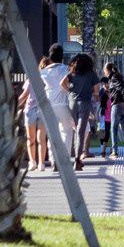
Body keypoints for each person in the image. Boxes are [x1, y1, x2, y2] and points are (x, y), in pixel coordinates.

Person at [61, 53, 99, 171]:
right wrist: (89, 92)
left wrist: (71, 90)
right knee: (81, 131)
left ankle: (77, 158)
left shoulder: (72, 73)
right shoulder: (92, 74)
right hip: (85, 103)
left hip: (72, 102)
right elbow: (96, 92)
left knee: (76, 128)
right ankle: (78, 159)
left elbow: (62, 83)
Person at [39, 43, 73, 173]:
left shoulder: (43, 72)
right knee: (67, 131)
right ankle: (65, 160)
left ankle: (53, 161)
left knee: (52, 134)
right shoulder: (67, 70)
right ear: (62, 56)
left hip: (49, 106)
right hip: (64, 105)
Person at [18, 56, 49, 171]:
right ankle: (41, 163)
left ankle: (32, 161)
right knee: (41, 138)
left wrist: (15, 104)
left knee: (30, 138)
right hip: (42, 109)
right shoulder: (47, 80)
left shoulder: (30, 79)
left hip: (30, 109)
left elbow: (25, 95)